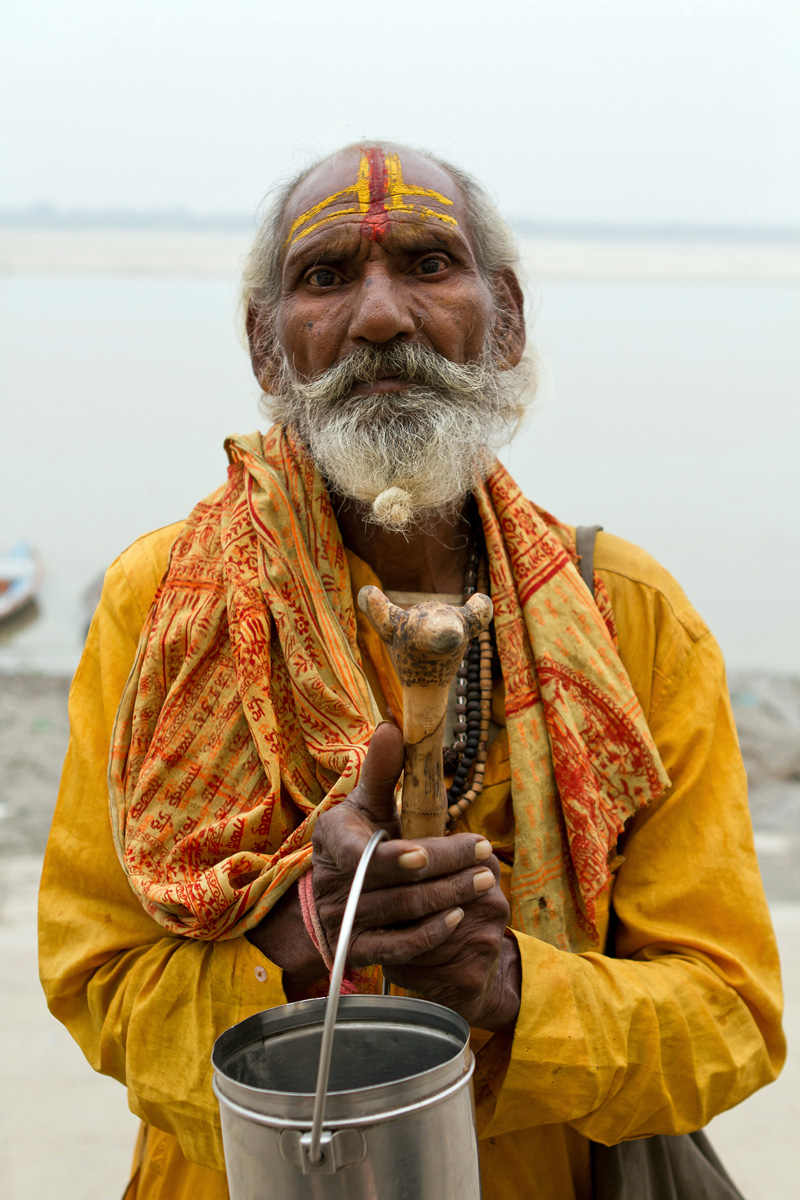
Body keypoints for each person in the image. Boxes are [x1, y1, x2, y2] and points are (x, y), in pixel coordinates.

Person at [39, 142, 784, 1200]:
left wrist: (505, 981)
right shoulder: (159, 605)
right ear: (265, 347)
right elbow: (97, 987)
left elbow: (731, 1022)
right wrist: (301, 935)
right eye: (326, 276)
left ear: (507, 318)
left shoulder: (630, 617)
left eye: (429, 264)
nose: (380, 318)